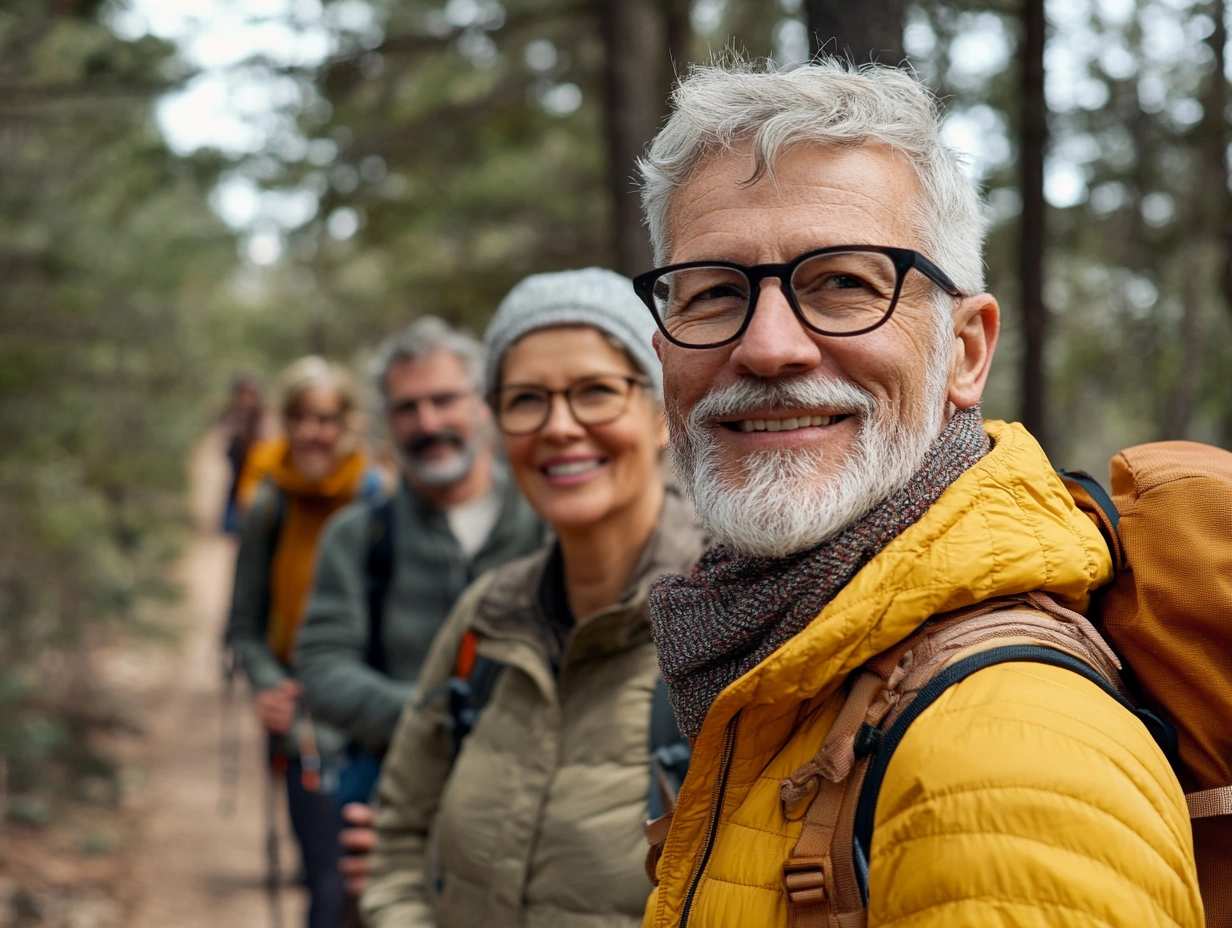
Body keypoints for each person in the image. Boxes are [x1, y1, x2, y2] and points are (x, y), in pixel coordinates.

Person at [633, 61, 1204, 927]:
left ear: (966, 352)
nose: (771, 347)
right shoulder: (768, 652)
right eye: (715, 293)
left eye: (845, 283)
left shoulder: (1008, 756)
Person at [359, 268, 705, 928]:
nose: (559, 426)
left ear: (663, 413)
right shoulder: (486, 619)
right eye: (526, 400)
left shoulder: (734, 623)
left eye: (596, 392)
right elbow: (400, 834)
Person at [293, 317, 544, 773]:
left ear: (485, 403)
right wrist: (443, 719)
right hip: (396, 786)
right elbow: (323, 666)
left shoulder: (547, 521)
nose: (428, 422)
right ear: (387, 421)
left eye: (445, 400)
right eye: (407, 407)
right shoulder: (355, 537)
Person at [225, 356, 381, 928]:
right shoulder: (269, 504)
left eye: (326, 418)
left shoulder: (380, 498)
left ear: (348, 423)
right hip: (307, 725)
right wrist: (270, 683)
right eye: (300, 417)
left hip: (381, 717)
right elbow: (243, 625)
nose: (313, 432)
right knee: (329, 883)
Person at [219, 373, 266, 534]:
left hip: (255, 462)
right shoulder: (232, 413)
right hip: (238, 459)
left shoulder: (261, 415)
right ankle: (231, 525)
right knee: (236, 489)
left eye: (250, 393)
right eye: (243, 393)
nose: (246, 397)